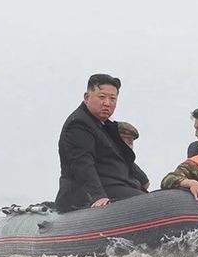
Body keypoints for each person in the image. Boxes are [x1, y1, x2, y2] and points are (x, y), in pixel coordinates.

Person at [55, 74, 148, 212]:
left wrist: (143, 180)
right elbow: (82, 163)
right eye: (102, 97)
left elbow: (121, 157)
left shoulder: (105, 127)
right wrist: (97, 196)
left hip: (119, 186)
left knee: (152, 199)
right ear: (87, 97)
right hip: (87, 194)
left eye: (112, 99)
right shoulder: (78, 124)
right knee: (143, 203)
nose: (107, 103)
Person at [117, 121, 150, 190]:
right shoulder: (105, 160)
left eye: (130, 141)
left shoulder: (128, 162)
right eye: (124, 139)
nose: (129, 145)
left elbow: (146, 183)